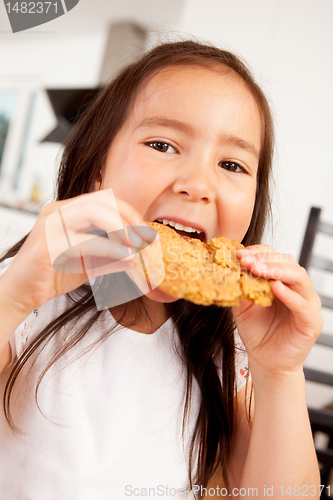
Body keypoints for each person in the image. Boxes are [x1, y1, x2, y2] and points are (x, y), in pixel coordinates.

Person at [0, 40, 323, 500]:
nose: (197, 185)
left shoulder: (223, 349)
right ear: (96, 171)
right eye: (163, 144)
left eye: (232, 164)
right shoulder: (28, 300)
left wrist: (280, 374)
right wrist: (13, 297)